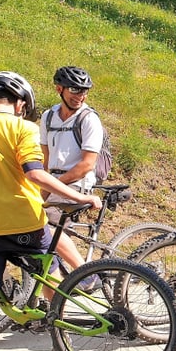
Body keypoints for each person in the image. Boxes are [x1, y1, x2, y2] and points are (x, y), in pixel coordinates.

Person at [0, 71, 101, 351]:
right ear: (21, 103)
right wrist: (80, 196)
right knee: (51, 275)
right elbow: (36, 174)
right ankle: (62, 343)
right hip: (26, 222)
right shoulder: (23, 128)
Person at [40, 66, 105, 303]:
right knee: (27, 222)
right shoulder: (48, 117)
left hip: (77, 184)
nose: (80, 95)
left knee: (44, 223)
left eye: (84, 91)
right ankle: (52, 302)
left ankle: (85, 274)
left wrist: (55, 184)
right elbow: (45, 160)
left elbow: (87, 164)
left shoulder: (89, 119)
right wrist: (42, 189)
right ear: (59, 89)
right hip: (54, 181)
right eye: (75, 90)